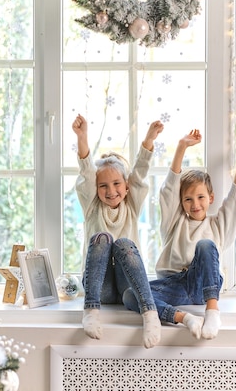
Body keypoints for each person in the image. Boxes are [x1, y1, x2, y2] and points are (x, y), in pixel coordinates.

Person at [125, 129, 236, 340]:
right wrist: (181, 147)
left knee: (206, 245)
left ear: (211, 198)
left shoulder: (217, 225)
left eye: (200, 197)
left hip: (203, 288)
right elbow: (169, 189)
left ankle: (213, 312)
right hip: (174, 285)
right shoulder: (174, 222)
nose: (195, 204)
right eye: (188, 199)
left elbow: (235, 199)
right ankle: (184, 318)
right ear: (181, 203)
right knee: (130, 295)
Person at [72, 114, 164, 349]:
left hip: (128, 287)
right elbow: (85, 171)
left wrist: (149, 139)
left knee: (123, 243)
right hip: (98, 286)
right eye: (103, 186)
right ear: (95, 189)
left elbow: (140, 172)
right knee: (102, 238)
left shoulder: (132, 205)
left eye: (116, 184)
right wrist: (82, 137)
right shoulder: (92, 206)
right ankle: (90, 310)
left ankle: (150, 314)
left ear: (126, 187)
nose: (110, 191)